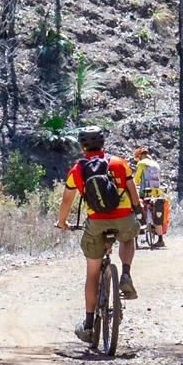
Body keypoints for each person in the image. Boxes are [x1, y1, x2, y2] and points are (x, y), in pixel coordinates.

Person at [57, 126, 137, 341]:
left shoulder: (77, 169)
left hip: (96, 222)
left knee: (92, 274)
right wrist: (137, 210)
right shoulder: (119, 163)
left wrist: (62, 221)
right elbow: (132, 189)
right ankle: (126, 273)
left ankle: (89, 324)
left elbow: (67, 199)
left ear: (82, 146)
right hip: (123, 218)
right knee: (128, 237)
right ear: (103, 142)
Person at [132, 144, 168, 240]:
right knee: (156, 211)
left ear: (140, 156)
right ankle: (160, 239)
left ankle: (141, 227)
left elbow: (136, 180)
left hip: (145, 192)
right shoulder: (156, 163)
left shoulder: (141, 163)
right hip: (156, 193)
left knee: (137, 206)